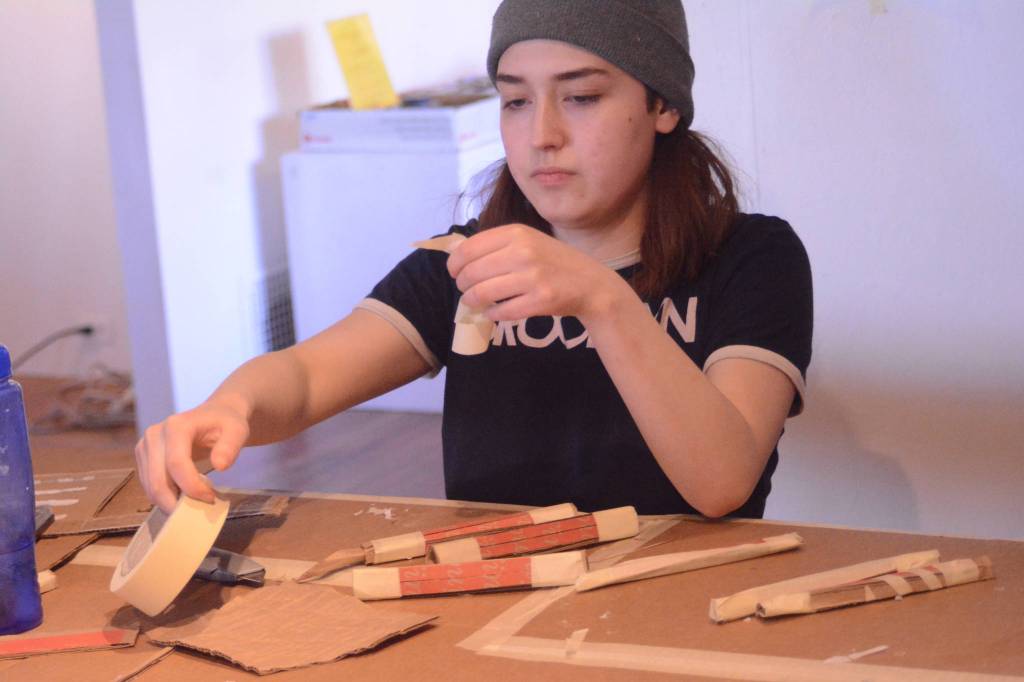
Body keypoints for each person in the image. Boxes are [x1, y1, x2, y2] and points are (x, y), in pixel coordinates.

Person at [135, 0, 812, 519]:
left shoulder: (753, 258)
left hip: (682, 611)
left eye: (580, 97)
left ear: (661, 104)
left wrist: (602, 299)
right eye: (515, 100)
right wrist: (232, 406)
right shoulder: (471, 259)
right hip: (495, 602)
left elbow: (722, 484)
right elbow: (308, 379)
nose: (541, 135)